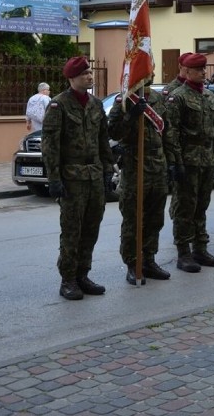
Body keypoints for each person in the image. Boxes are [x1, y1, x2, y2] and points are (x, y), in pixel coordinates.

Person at [42, 56, 114, 300]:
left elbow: (103, 141)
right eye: (84, 74)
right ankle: (68, 280)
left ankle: (83, 274)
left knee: (91, 229)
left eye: (90, 73)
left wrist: (107, 170)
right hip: (72, 178)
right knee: (72, 230)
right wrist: (53, 179)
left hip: (94, 176)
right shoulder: (58, 105)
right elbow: (50, 145)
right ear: (72, 78)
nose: (89, 77)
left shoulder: (95, 104)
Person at [164, 53, 214, 273]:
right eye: (198, 69)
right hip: (187, 160)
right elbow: (171, 133)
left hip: (207, 160)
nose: (202, 72)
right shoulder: (178, 97)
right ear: (187, 71)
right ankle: (183, 252)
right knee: (185, 208)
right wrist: (175, 162)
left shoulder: (209, 96)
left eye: (204, 69)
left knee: (202, 206)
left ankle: (200, 248)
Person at [107, 77, 172, 284]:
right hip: (135, 166)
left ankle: (149, 260)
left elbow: (166, 131)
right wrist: (131, 117)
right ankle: (133, 263)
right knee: (133, 218)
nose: (148, 75)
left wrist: (172, 162)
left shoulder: (157, 98)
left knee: (155, 218)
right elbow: (114, 132)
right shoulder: (124, 101)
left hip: (158, 165)